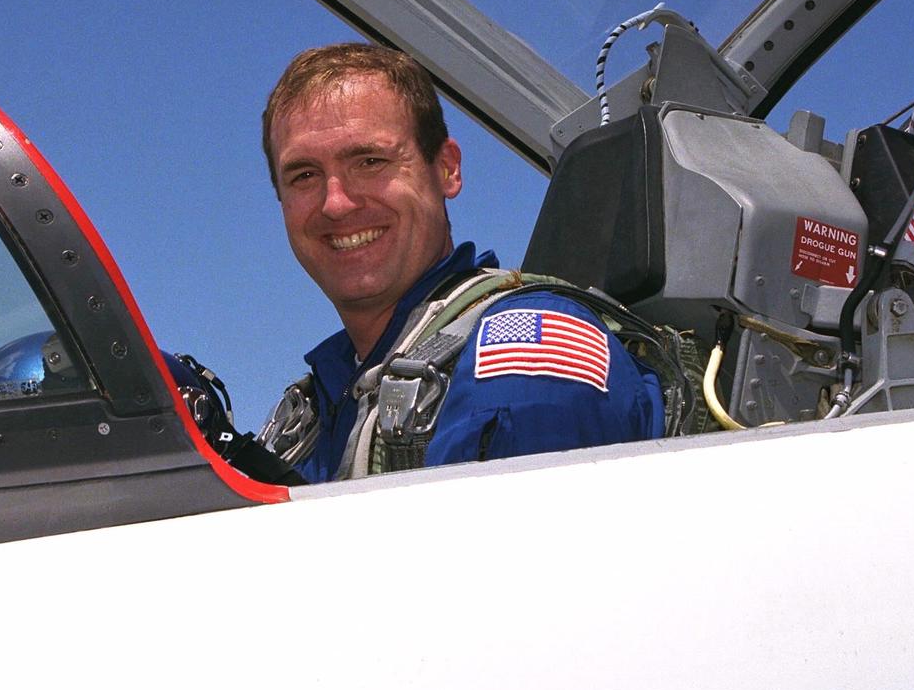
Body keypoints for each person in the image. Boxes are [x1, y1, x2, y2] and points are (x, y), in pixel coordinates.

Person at [260, 43, 663, 483]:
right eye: (303, 176)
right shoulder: (310, 418)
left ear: (447, 169)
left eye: (370, 161)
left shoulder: (528, 351)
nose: (335, 204)